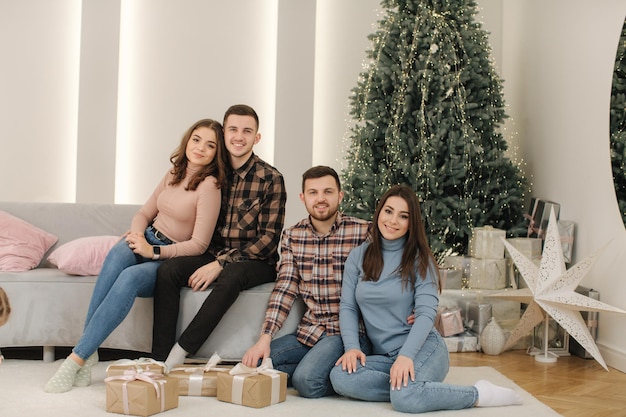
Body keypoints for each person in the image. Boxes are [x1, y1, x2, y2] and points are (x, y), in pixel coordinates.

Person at [44, 118, 229, 393]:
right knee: (119, 251)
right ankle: (89, 351)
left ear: (217, 153)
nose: (200, 148)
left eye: (210, 145)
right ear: (187, 141)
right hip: (149, 239)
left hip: (170, 258)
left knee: (130, 277)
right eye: (196, 139)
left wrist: (153, 251)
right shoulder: (173, 173)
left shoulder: (210, 186)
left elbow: (199, 245)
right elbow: (143, 214)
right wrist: (137, 236)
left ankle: (76, 358)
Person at [329, 185, 523, 413]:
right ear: (379, 212)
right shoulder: (359, 256)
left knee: (404, 399)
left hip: (423, 348)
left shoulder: (420, 260)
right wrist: (351, 347)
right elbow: (349, 307)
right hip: (384, 356)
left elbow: (425, 314)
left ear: (412, 223)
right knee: (340, 376)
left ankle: (478, 394)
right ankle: (415, 387)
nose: (393, 221)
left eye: (403, 216)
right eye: (388, 211)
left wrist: (406, 356)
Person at [151, 104, 286, 371]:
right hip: (212, 251)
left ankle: (182, 350)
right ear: (224, 134)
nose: (239, 136)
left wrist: (221, 263)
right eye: (233, 129)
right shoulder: (212, 173)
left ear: (256, 138)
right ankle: (158, 358)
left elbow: (269, 239)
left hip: (256, 261)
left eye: (247, 131)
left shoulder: (271, 178)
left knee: (232, 275)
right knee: (168, 272)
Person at [242, 165, 373, 398]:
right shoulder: (293, 236)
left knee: (307, 382)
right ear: (303, 198)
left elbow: (389, 275)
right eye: (313, 192)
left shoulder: (363, 232)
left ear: (340, 195)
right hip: (309, 332)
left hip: (346, 333)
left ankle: (332, 372)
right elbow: (285, 288)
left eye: (328, 192)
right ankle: (322, 366)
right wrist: (265, 338)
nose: (320, 199)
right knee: (257, 362)